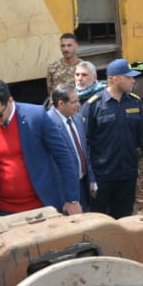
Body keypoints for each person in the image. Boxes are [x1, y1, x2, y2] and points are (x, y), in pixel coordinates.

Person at [0, 78, 82, 235]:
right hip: (3, 213)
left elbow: (63, 156)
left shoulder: (36, 116)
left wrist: (72, 199)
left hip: (42, 207)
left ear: (10, 101)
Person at [81, 59, 143, 218]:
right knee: (99, 219)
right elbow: (84, 143)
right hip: (102, 176)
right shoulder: (93, 106)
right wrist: (90, 176)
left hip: (127, 174)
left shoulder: (135, 102)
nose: (133, 80)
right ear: (115, 79)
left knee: (124, 217)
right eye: (129, 77)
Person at [49, 83, 95, 212]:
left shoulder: (77, 118)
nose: (78, 105)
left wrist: (90, 178)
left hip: (83, 183)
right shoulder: (48, 123)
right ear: (61, 104)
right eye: (74, 102)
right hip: (63, 189)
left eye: (78, 101)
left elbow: (85, 150)